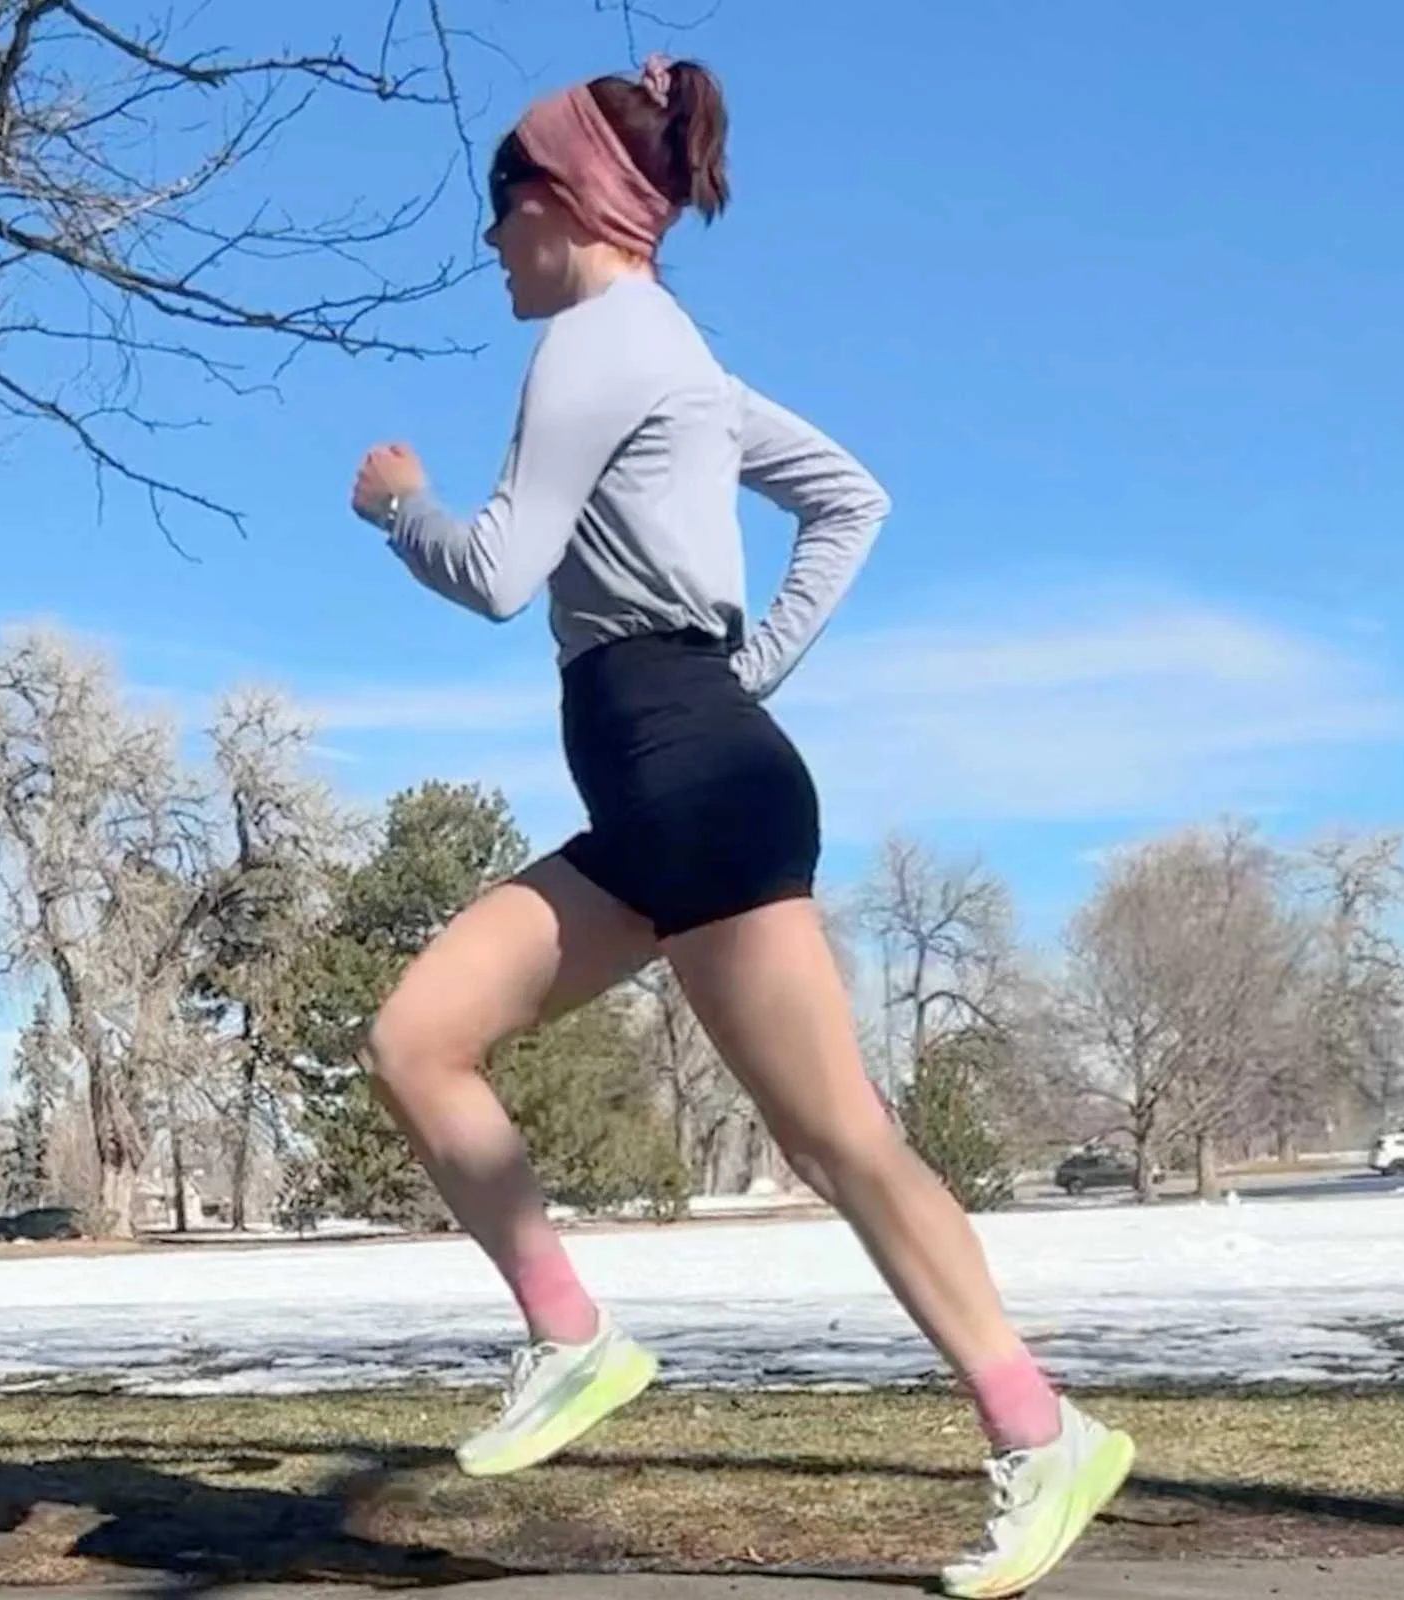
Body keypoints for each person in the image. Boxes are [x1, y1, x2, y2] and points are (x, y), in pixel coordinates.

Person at [344, 54, 1134, 1599]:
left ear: (561, 204)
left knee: (838, 1138)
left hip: (693, 781)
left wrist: (398, 506)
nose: (490, 245)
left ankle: (1042, 1438)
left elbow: (503, 567)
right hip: (665, 784)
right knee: (416, 1037)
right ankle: (573, 1336)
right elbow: (852, 499)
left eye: (499, 213)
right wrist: (745, 673)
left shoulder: (594, 339)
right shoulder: (680, 356)